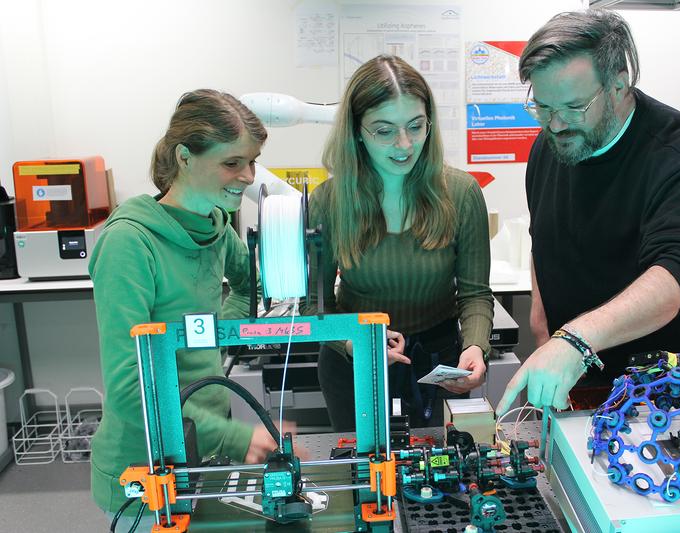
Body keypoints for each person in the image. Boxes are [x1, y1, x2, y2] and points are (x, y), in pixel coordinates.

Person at [497, 10, 680, 414]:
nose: (554, 125)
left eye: (573, 107)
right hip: (583, 367)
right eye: (542, 107)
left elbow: (676, 275)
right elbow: (543, 237)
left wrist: (574, 338)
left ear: (619, 83)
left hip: (672, 380)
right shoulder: (551, 145)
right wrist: (541, 318)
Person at [89, 89, 281, 527]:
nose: (248, 175)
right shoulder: (129, 243)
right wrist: (235, 435)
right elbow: (129, 388)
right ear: (184, 157)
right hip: (144, 471)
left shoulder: (215, 228)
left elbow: (251, 287)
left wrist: (214, 332)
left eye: (252, 161)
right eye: (232, 163)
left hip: (203, 456)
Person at [305, 54, 494, 431]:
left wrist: (475, 347)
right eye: (384, 130)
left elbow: (475, 294)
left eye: (415, 126)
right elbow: (315, 306)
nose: (404, 144)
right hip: (354, 366)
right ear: (357, 131)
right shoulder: (327, 202)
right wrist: (352, 342)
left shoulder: (461, 193)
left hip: (438, 367)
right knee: (365, 482)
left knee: (441, 480)